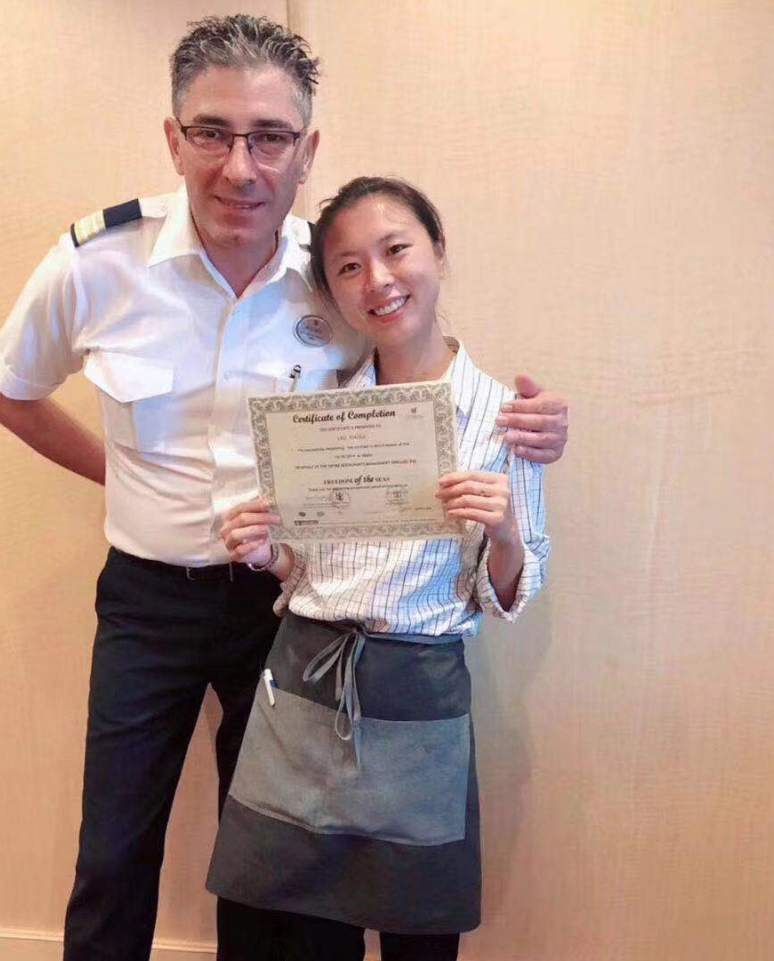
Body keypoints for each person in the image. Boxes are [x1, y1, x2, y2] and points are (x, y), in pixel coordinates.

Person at [0, 15, 568, 961]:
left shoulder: (335, 277)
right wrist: (122, 477)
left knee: (274, 876)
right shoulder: (97, 265)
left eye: (269, 137)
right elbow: (6, 391)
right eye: (212, 133)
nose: (239, 166)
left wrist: (529, 428)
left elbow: (421, 380)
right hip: (147, 602)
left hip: (288, 610)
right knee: (114, 848)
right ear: (173, 139)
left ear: (307, 151)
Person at [207, 176, 550, 961]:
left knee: (419, 933)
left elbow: (511, 593)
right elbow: (303, 567)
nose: (379, 280)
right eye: (349, 267)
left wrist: (502, 531)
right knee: (305, 931)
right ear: (331, 290)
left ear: (438, 250)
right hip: (305, 681)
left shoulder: (506, 419)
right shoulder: (319, 409)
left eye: (396, 249)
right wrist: (266, 551)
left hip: (418, 689)